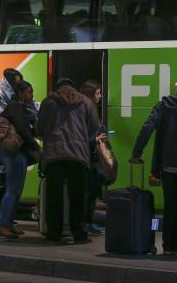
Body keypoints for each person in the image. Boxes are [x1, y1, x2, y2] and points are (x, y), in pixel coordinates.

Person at [130, 73, 177, 256]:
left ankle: (168, 245)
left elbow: (146, 128)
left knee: (170, 206)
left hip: (166, 166)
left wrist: (136, 153)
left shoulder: (163, 105)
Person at [37, 78, 99, 244]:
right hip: (78, 155)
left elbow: (40, 128)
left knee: (54, 196)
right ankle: (79, 233)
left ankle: (53, 233)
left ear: (57, 88)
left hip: (54, 155)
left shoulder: (48, 102)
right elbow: (94, 127)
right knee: (78, 196)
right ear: (73, 87)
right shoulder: (85, 102)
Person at [0, 80, 38, 239]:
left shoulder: (19, 107)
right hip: (13, 153)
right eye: (29, 92)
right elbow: (23, 129)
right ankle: (3, 224)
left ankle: (9, 223)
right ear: (20, 93)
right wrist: (35, 146)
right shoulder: (15, 107)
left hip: (14, 152)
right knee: (13, 189)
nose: (31, 95)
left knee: (16, 189)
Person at [80, 79, 107, 236]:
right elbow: (80, 137)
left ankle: (88, 223)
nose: (100, 96)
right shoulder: (84, 111)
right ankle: (86, 224)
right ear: (90, 95)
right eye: (98, 93)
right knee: (87, 193)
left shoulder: (89, 110)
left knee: (91, 193)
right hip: (87, 158)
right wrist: (95, 139)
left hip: (92, 158)